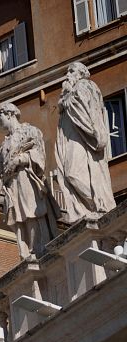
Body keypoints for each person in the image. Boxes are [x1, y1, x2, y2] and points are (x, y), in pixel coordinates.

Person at [0, 102, 58, 259]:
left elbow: (40, 156)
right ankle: (26, 252)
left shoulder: (30, 131)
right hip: (11, 186)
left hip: (26, 179)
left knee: (31, 213)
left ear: (9, 114)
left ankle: (39, 248)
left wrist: (20, 159)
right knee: (18, 218)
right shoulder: (3, 145)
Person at [54, 62, 117, 223]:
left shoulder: (85, 85)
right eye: (67, 71)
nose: (68, 74)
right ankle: (92, 207)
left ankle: (99, 205)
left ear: (81, 73)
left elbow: (88, 111)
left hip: (82, 140)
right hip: (70, 140)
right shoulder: (69, 93)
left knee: (72, 173)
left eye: (72, 71)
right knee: (69, 175)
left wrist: (67, 99)